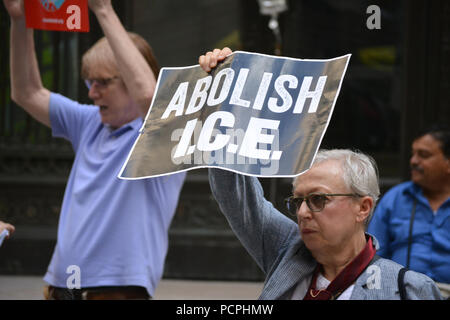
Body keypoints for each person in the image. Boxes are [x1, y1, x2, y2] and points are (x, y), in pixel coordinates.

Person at [199, 48, 442, 299]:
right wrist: (224, 99)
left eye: (318, 199)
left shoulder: (408, 289)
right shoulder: (288, 251)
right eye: (297, 201)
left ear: (363, 207)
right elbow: (237, 197)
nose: (302, 213)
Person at [4, 0, 185, 299]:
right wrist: (19, 20)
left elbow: (149, 95)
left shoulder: (162, 134)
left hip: (118, 290)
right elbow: (26, 92)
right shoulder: (89, 122)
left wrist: (103, 9)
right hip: (64, 282)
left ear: (131, 78)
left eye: (102, 82)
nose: (91, 92)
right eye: (89, 81)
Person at [368, 124, 450, 297]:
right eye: (413, 154)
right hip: (401, 292)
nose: (413, 161)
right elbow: (373, 254)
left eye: (424, 155)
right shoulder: (396, 198)